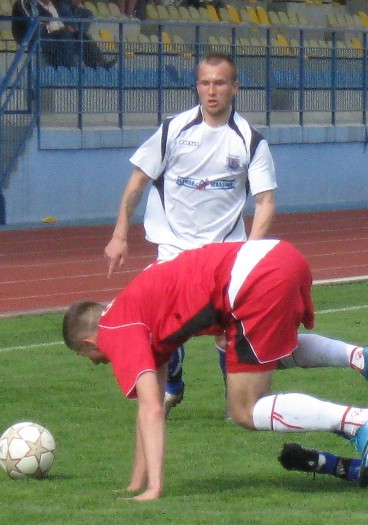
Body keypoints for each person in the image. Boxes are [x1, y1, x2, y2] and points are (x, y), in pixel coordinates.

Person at [62, 240, 368, 501]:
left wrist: (156, 489)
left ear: (89, 343)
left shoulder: (116, 330)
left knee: (242, 409)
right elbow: (151, 403)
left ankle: (360, 422)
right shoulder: (135, 309)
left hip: (252, 281)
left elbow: (151, 408)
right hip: (279, 255)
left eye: (87, 357)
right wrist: (137, 482)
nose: (95, 362)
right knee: (260, 351)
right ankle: (359, 356)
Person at [104, 52, 276, 416]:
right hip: (174, 246)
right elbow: (138, 180)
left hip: (224, 251)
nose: (211, 91)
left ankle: (234, 399)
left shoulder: (250, 141)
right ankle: (173, 383)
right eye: (205, 83)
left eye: (220, 83)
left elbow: (265, 202)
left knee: (224, 327)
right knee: (165, 321)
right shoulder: (173, 130)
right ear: (197, 86)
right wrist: (120, 234)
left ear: (235, 87)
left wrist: (251, 254)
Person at [12, 0, 77, 68]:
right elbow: (29, 20)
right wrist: (41, 22)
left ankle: (66, 66)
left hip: (39, 32)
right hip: (25, 35)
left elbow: (48, 15)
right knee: (56, 43)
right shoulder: (21, 3)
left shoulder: (35, 3)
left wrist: (42, 21)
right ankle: (63, 66)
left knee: (63, 35)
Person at [56, 0, 116, 68]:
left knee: (85, 35)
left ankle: (100, 63)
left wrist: (75, 29)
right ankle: (95, 64)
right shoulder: (62, 5)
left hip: (73, 29)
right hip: (61, 32)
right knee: (79, 38)